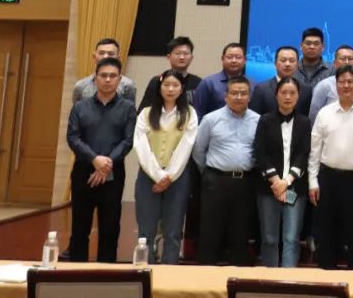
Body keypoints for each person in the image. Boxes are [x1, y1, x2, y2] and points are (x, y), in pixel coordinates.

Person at [308, 64, 353, 270]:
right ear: (335, 84)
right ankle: (326, 277)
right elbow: (314, 150)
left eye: (351, 82)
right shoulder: (324, 113)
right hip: (328, 179)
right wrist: (312, 182)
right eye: (342, 82)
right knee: (327, 232)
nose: (346, 85)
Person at [66, 57, 136, 263]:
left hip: (113, 173)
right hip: (83, 171)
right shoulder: (80, 107)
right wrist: (95, 159)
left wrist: (106, 164)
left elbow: (128, 140)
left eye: (112, 76)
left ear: (119, 79)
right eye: (103, 75)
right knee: (80, 226)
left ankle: (107, 272)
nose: (107, 80)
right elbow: (72, 137)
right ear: (95, 78)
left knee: (110, 227)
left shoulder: (128, 108)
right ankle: (76, 272)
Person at [192, 75, 260, 265]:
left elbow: (260, 152)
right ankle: (205, 276)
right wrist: (210, 172)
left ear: (249, 96)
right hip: (216, 181)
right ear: (226, 96)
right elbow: (198, 150)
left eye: (243, 93)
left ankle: (237, 276)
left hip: (245, 182)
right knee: (210, 231)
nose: (239, 97)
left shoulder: (258, 120)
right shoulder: (211, 119)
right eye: (234, 93)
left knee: (240, 232)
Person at [133, 68, 198, 264]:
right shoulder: (145, 114)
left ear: (182, 89)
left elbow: (186, 146)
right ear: (159, 87)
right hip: (148, 177)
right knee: (146, 230)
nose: (170, 89)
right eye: (166, 85)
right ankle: (145, 270)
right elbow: (141, 145)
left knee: (173, 230)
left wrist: (169, 175)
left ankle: (169, 270)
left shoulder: (190, 114)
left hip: (177, 178)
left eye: (175, 85)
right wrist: (157, 175)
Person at [253, 75, 311, 267]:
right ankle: (270, 278)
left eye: (292, 93)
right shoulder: (265, 120)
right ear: (276, 95)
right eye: (284, 92)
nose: (288, 97)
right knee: (269, 238)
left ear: (298, 96)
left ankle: (288, 279)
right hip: (269, 187)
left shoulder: (305, 122)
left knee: (291, 238)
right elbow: (260, 153)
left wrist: (287, 182)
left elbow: (304, 153)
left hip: (295, 188)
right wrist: (276, 181)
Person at [137, 36, 202, 112]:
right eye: (177, 53)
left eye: (186, 53)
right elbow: (144, 111)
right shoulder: (157, 81)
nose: (182, 57)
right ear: (168, 56)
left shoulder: (199, 82)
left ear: (191, 57)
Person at [308, 44, 353, 122]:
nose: (347, 62)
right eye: (343, 59)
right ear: (335, 63)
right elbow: (314, 115)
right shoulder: (324, 85)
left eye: (350, 59)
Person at [251, 45, 313, 118]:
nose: (287, 64)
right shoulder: (261, 89)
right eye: (283, 60)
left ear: (297, 65)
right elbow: (254, 118)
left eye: (292, 61)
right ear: (275, 64)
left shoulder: (306, 90)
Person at [71, 38, 137, 104]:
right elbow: (77, 109)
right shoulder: (80, 86)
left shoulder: (128, 86)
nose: (105, 57)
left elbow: (130, 109)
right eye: (101, 53)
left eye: (111, 54)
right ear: (94, 56)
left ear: (118, 58)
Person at [192, 42, 246, 117]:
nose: (234, 60)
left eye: (238, 57)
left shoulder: (252, 85)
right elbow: (197, 114)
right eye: (229, 57)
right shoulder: (208, 83)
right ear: (222, 59)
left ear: (245, 60)